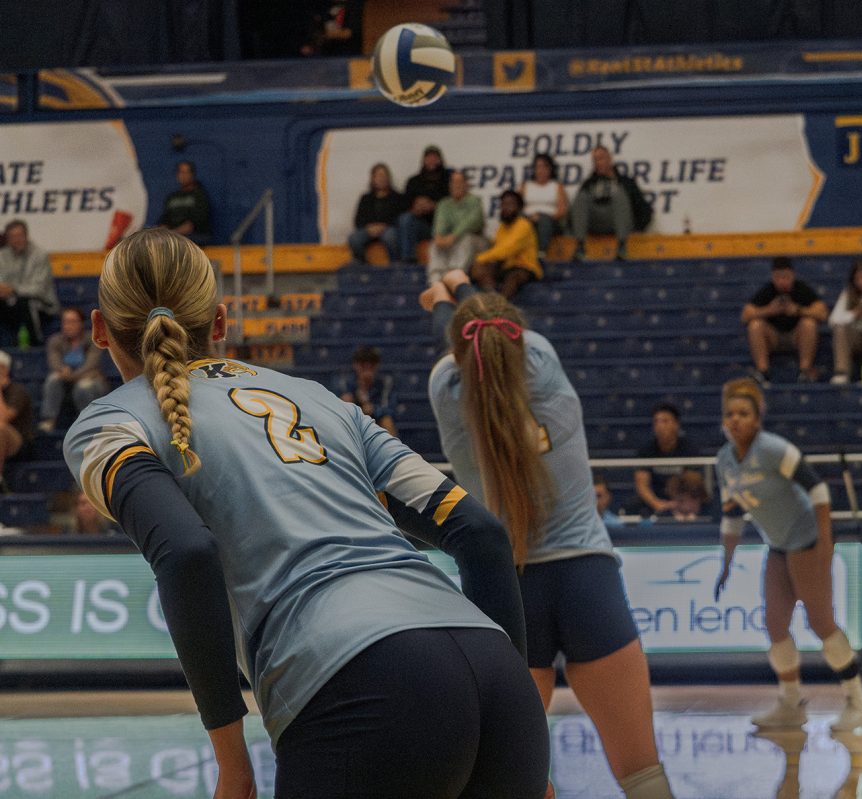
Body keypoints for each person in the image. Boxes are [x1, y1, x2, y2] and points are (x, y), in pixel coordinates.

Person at [64, 229, 549, 798]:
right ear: (219, 323)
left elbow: (188, 553)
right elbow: (483, 535)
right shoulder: (320, 400)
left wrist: (232, 765)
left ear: (99, 329)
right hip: (497, 673)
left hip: (356, 681)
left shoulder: (108, 423)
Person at [426, 269, 675, 799]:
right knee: (643, 775)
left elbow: (460, 347)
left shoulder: (446, 390)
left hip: (506, 591)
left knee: (517, 783)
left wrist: (439, 302)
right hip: (588, 579)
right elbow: (483, 330)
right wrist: (459, 285)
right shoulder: (539, 357)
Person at [714, 378, 862, 730]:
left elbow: (818, 489)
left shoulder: (773, 448)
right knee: (775, 626)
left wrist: (824, 542)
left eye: (743, 413)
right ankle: (791, 703)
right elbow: (731, 513)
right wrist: (726, 563)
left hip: (805, 539)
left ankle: (859, 701)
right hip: (777, 544)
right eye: (730, 414)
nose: (736, 420)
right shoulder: (724, 461)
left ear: (757, 420)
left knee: (821, 623)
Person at [743, 256, 828, 386]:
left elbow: (822, 313)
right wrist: (768, 310)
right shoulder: (767, 291)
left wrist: (798, 310)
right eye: (778, 277)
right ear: (773, 277)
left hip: (796, 337)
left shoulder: (801, 289)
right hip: (773, 338)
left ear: (792, 276)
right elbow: (745, 315)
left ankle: (804, 370)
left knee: (809, 323)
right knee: (755, 325)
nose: (782, 281)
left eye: (786, 277)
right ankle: (763, 371)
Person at [571, 145, 653, 261]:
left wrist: (638, 228)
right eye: (595, 160)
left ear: (609, 159)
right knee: (582, 196)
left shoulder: (625, 182)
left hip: (620, 224)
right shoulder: (588, 184)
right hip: (596, 223)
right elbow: (577, 209)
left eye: (601, 158)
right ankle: (580, 247)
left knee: (619, 194)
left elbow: (643, 208)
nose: (598, 163)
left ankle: (622, 247)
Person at [39, 307, 108, 432]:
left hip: (91, 378)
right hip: (65, 378)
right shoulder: (55, 340)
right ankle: (49, 420)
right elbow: (54, 362)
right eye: (65, 322)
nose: (68, 326)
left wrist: (73, 375)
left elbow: (92, 364)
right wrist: (62, 370)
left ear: (81, 323)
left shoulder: (93, 339)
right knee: (52, 379)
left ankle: (89, 423)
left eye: (72, 322)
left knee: (83, 386)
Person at [470, 190, 541, 299]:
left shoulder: (524, 225)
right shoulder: (502, 227)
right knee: (479, 269)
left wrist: (481, 257)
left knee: (513, 277)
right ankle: (492, 297)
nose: (505, 208)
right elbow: (496, 248)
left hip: (525, 266)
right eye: (503, 204)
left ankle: (501, 306)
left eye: (510, 204)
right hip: (505, 266)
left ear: (519, 208)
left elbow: (506, 250)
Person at [633, 402, 701, 517]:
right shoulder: (645, 451)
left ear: (676, 424)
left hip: (683, 503)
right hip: (654, 504)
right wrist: (657, 504)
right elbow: (641, 484)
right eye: (656, 421)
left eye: (665, 421)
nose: (660, 425)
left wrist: (679, 504)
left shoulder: (689, 450)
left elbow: (693, 482)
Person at [0, 219, 60, 346]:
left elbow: (39, 290)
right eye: (13, 237)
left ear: (26, 236)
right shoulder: (2, 256)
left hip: (42, 304)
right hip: (11, 302)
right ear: (8, 239)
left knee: (26, 304)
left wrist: (14, 290)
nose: (17, 240)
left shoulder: (39, 255)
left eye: (20, 236)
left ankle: (34, 344)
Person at [427, 171, 485, 286]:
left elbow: (472, 223)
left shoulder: (474, 201)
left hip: (476, 241)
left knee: (466, 239)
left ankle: (454, 277)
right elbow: (440, 224)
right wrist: (439, 237)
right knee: (435, 244)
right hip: (451, 242)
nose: (456, 185)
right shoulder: (444, 204)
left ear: (466, 184)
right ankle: (436, 281)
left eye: (459, 182)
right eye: (453, 182)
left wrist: (454, 236)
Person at [397, 145, 451, 263]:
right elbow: (403, 206)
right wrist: (415, 209)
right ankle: (408, 259)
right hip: (422, 226)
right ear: (423, 160)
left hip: (442, 226)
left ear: (440, 160)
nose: (431, 161)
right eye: (428, 158)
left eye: (434, 158)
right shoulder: (413, 181)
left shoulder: (448, 180)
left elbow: (453, 205)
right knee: (405, 219)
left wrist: (434, 206)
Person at [347, 163, 404, 264]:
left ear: (388, 178)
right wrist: (369, 227)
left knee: (391, 236)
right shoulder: (365, 198)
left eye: (384, 175)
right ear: (372, 179)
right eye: (378, 176)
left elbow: (400, 219)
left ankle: (395, 264)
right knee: (354, 238)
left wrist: (383, 226)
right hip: (369, 230)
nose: (381, 179)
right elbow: (358, 220)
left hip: (388, 229)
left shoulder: (397, 197)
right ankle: (362, 264)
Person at [336, 345, 397, 437]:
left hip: (376, 421)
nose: (367, 367)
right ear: (355, 365)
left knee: (387, 421)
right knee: (345, 401)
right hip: (353, 421)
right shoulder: (345, 383)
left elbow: (390, 410)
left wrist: (373, 409)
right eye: (363, 363)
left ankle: (392, 450)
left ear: (377, 365)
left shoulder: (385, 384)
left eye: (372, 363)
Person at [520, 153, 569, 258]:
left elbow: (562, 210)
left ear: (550, 169)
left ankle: (541, 253)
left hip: (550, 221)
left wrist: (543, 217)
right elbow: (517, 206)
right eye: (538, 167)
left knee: (544, 221)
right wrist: (531, 218)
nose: (541, 170)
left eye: (544, 167)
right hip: (528, 219)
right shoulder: (526, 186)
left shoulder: (556, 186)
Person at [156, 161, 213, 246]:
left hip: (194, 238)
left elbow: (194, 224)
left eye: (186, 172)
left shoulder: (200, 196)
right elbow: (165, 219)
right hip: (172, 237)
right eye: (180, 172)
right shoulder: (172, 197)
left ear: (192, 174)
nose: (183, 175)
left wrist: (173, 233)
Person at [0, 349, 33, 492]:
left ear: (4, 369)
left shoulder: (17, 390)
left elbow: (4, 418)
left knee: (0, 428)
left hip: (20, 440)